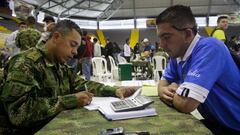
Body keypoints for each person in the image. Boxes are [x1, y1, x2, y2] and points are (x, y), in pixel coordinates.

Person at [0, 20, 137, 135]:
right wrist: (70, 100)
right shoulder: (25, 63)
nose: (75, 52)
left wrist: (114, 90)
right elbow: (18, 113)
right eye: (72, 45)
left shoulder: (60, 65)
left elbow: (83, 85)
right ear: (56, 37)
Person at [156, 5, 240, 135]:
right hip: (215, 122)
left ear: (188, 34)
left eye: (166, 37)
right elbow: (162, 84)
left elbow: (186, 104)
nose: (161, 45)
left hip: (234, 127)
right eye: (160, 38)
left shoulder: (211, 48)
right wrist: (163, 91)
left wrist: (174, 89)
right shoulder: (177, 54)